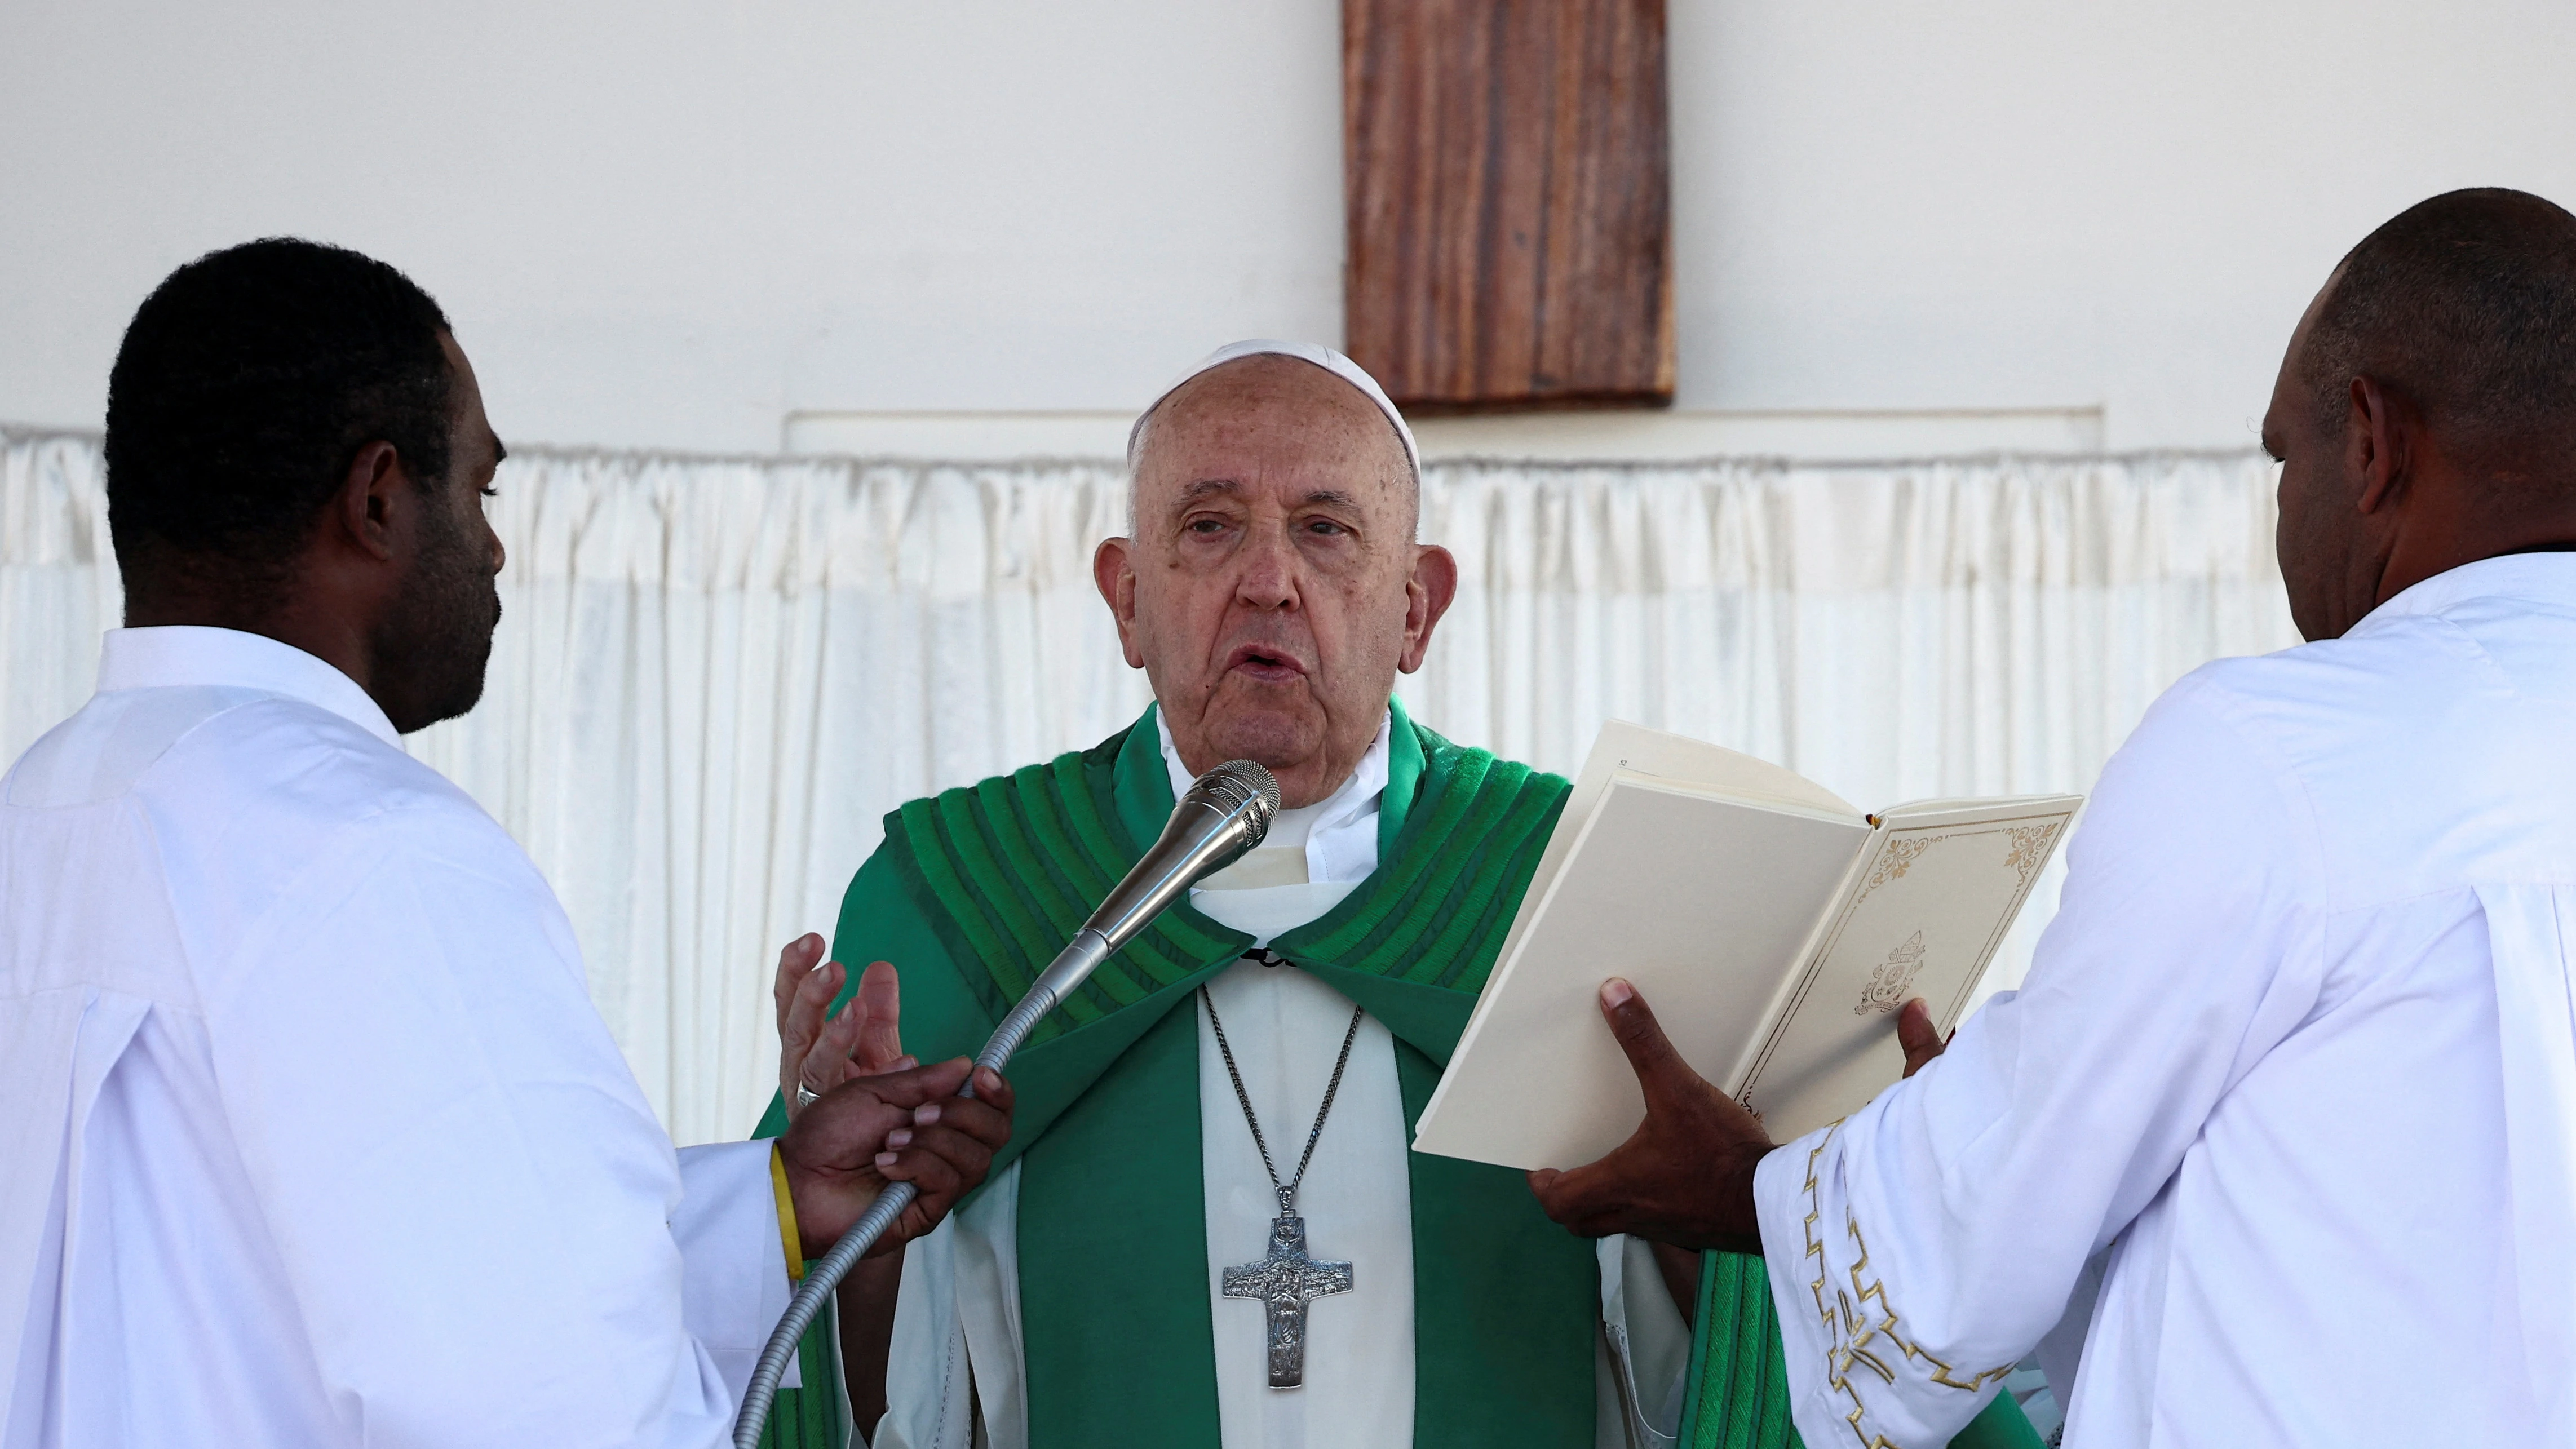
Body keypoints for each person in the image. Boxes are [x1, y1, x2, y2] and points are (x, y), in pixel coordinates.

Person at [759, 341, 2040, 1448]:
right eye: (1208, 526)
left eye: (1325, 529)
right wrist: (861, 1246)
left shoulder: (1572, 880)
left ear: (1416, 607)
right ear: (1127, 598)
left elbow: (1753, 1340)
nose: (1268, 580)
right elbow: (811, 1365)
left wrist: (1722, 1214)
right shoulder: (967, 893)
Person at [1530, 187, 2576, 1446]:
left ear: (2369, 444)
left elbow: (1990, 1223)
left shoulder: (2277, 751)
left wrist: (1749, 1186)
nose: (2281, 503)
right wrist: (1981, 1119)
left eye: (2280, 456)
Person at [0, 238, 1013, 1448]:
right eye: (479, 492)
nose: (492, 549)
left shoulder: (40, 810)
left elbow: (218, 1292)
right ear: (379, 500)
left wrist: (779, 1206)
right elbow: (552, 1395)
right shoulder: (371, 844)